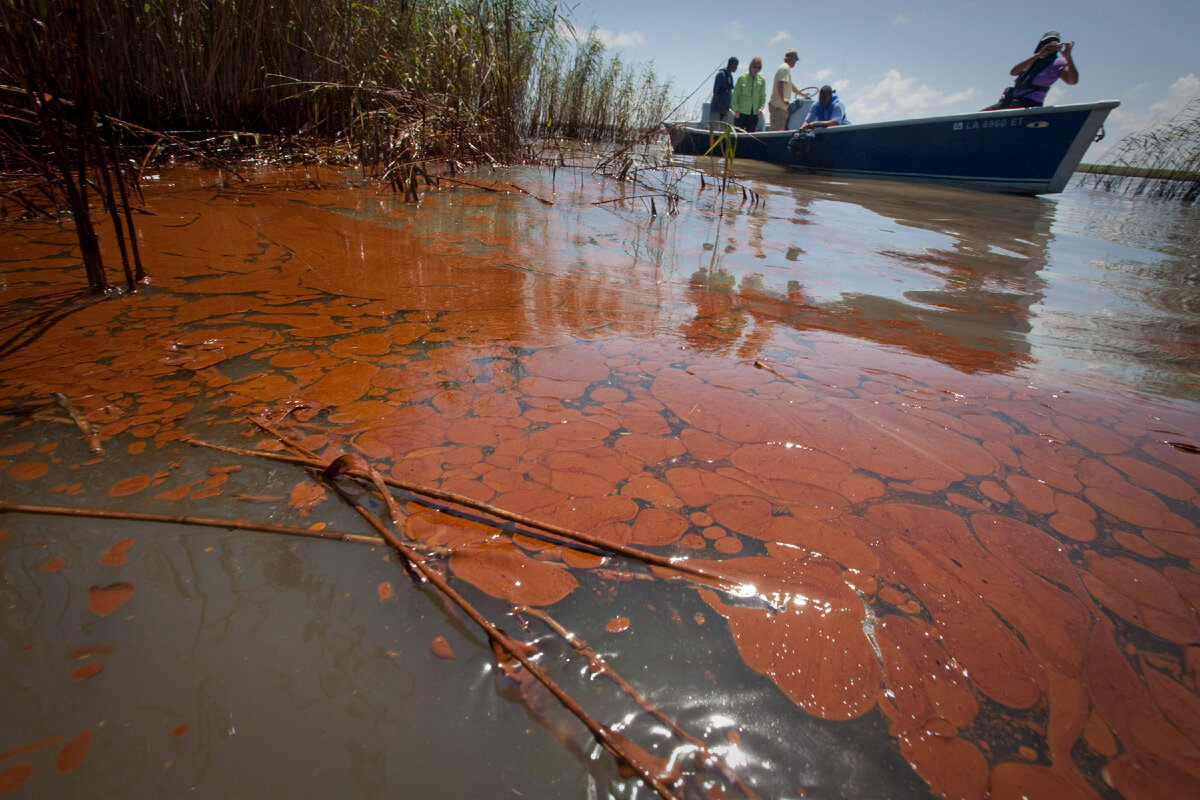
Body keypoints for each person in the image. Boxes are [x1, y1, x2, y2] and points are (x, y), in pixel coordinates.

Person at [983, 30, 1078, 110]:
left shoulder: (1059, 62)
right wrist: (1038, 55)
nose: (1051, 46)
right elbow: (1013, 72)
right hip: (1013, 100)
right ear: (1041, 45)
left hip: (1031, 102)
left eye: (1055, 44)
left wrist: (1068, 57)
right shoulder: (1033, 62)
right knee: (981, 114)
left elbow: (1072, 81)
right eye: (1047, 43)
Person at [769, 49, 806, 130]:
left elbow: (792, 87)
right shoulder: (785, 68)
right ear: (792, 57)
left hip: (781, 108)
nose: (796, 61)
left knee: (780, 129)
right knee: (777, 132)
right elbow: (780, 83)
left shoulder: (786, 69)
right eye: (796, 59)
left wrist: (804, 95)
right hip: (777, 107)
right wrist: (783, 99)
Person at [731, 56, 766, 131]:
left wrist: (761, 107)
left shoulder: (762, 80)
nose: (756, 69)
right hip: (740, 113)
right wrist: (736, 109)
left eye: (759, 67)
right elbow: (735, 95)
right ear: (751, 66)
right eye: (755, 67)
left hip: (754, 114)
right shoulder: (741, 78)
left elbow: (763, 96)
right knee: (738, 137)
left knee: (750, 137)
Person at [711, 57, 738, 122]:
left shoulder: (730, 76)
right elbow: (715, 92)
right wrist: (720, 107)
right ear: (731, 64)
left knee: (723, 131)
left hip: (725, 111)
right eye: (735, 65)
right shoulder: (721, 75)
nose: (736, 68)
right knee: (715, 129)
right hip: (717, 109)